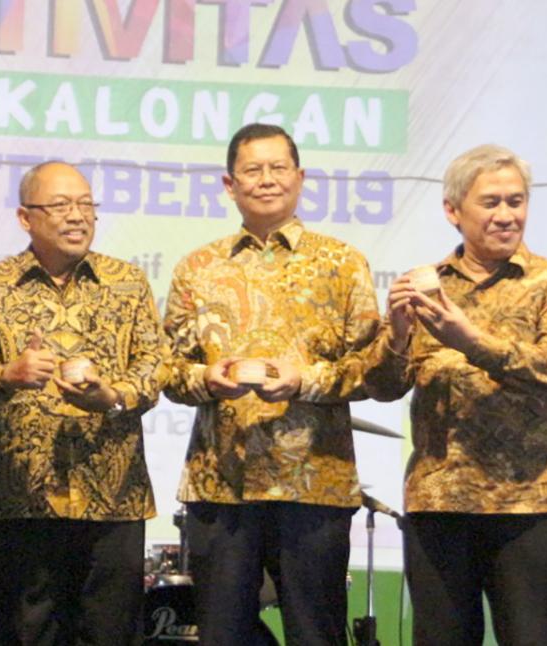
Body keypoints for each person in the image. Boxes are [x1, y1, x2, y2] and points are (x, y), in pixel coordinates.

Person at [366, 144, 547, 646]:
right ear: (453, 211)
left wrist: (468, 339)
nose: (506, 215)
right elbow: (381, 387)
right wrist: (398, 334)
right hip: (439, 500)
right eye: (491, 203)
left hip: (528, 503)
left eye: (516, 201)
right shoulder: (425, 287)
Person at [162, 123, 382, 645]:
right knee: (222, 635)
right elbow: (167, 369)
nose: (266, 180)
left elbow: (371, 368)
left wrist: (306, 381)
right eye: (252, 170)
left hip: (315, 482)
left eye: (278, 168)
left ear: (300, 177)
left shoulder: (342, 263)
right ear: (229, 184)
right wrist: (206, 379)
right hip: (221, 485)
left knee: (316, 635)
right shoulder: (198, 267)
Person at [0, 161, 166, 645]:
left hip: (113, 498)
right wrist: (8, 373)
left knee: (110, 635)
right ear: (25, 218)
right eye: (62, 205)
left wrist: (112, 396)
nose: (77, 216)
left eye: (86, 204)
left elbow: (156, 367)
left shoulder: (127, 283)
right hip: (22, 500)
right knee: (27, 634)